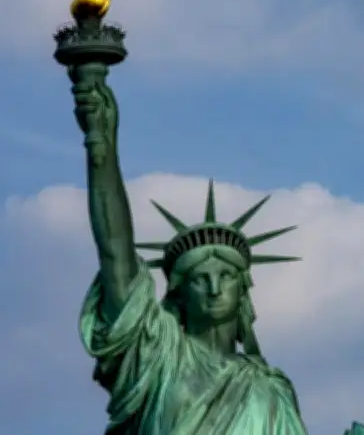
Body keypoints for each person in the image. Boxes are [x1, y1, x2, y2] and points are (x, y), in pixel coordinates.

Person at [71, 68, 308, 434]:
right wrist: (101, 144)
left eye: (225, 276)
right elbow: (115, 253)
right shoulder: (158, 354)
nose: (214, 289)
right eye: (200, 279)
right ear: (180, 292)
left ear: (243, 290)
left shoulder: (271, 388)